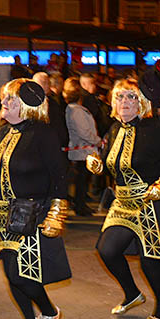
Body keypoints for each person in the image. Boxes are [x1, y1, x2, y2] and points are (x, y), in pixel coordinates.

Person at [88, 78, 160, 319]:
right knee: (107, 250)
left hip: (152, 201)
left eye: (131, 97)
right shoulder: (115, 128)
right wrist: (97, 165)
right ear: (113, 103)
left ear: (141, 103)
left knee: (149, 258)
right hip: (123, 202)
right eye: (120, 97)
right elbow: (111, 161)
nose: (125, 102)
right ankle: (132, 294)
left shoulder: (153, 128)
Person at [0, 79, 71, 319]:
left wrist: (56, 214)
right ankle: (29, 318)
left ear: (27, 105)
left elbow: (59, 175)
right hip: (3, 217)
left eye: (11, 100)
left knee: (20, 273)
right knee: (11, 272)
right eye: (4, 98)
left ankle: (50, 313)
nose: (4, 103)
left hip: (31, 214)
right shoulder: (3, 131)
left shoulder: (43, 133)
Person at [64, 77, 100, 216]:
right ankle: (80, 205)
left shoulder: (74, 109)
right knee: (81, 181)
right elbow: (84, 131)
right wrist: (97, 141)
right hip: (82, 150)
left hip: (82, 149)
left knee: (82, 180)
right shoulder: (76, 111)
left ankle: (81, 203)